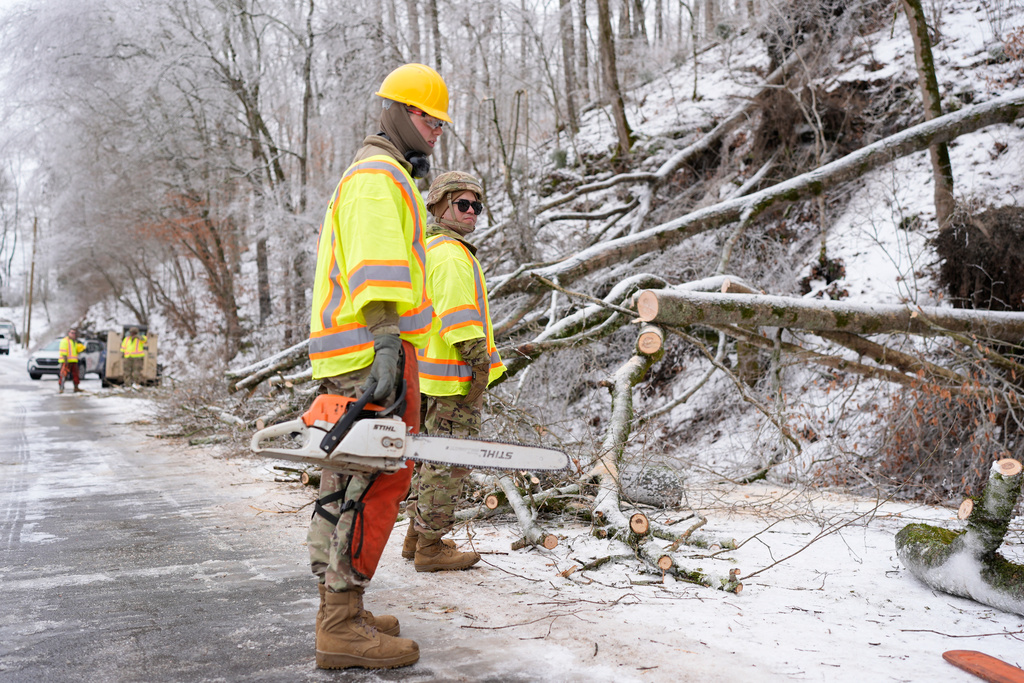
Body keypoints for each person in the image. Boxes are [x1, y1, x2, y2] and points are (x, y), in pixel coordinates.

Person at [305, 62, 449, 671]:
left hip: (365, 352)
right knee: (366, 485)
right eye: (425, 117)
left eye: (441, 122)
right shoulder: (376, 176)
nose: (435, 130)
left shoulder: (389, 176)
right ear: (395, 112)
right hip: (369, 354)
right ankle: (339, 626)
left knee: (355, 482)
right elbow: (376, 264)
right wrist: (388, 341)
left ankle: (343, 609)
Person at [403, 172, 506, 572]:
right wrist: (478, 365)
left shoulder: (433, 249)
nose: (471, 213)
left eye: (476, 206)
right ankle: (430, 547)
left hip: (434, 377)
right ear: (440, 205)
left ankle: (415, 537)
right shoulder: (449, 255)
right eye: (463, 204)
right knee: (448, 464)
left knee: (431, 460)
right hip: (454, 377)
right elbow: (459, 317)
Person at [58, 328, 86, 394]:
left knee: (76, 374)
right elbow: (63, 351)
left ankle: (76, 387)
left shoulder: (74, 342)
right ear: (68, 333)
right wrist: (65, 360)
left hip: (74, 360)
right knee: (64, 374)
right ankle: (61, 387)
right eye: (72, 333)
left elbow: (77, 350)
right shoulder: (65, 341)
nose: (73, 334)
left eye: (74, 333)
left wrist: (82, 346)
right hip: (66, 361)